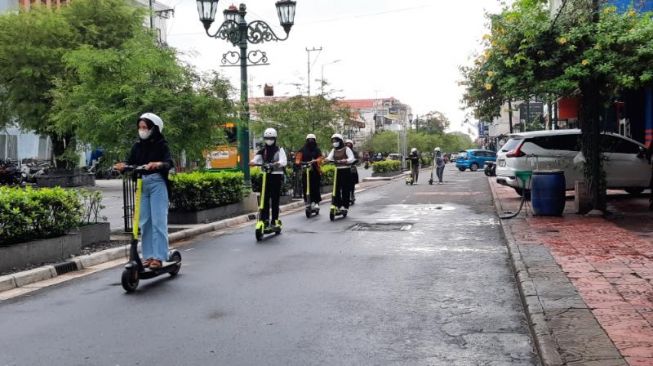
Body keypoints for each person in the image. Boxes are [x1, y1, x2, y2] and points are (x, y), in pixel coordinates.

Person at [114, 113, 174, 269]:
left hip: (157, 183)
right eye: (140, 127)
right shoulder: (137, 146)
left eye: (145, 128)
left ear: (154, 129)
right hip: (141, 184)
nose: (142, 130)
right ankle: (148, 256)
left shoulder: (161, 145)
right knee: (145, 222)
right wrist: (122, 166)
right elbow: (130, 162)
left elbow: (169, 162)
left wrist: (158, 164)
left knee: (158, 222)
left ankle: (159, 257)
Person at [250, 128, 287, 228]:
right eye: (267, 138)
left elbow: (284, 161)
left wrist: (275, 164)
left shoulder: (279, 149)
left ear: (275, 138)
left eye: (271, 138)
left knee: (275, 199)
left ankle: (274, 220)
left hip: (276, 176)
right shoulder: (263, 150)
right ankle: (265, 219)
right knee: (264, 199)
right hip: (265, 177)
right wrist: (252, 162)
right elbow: (256, 159)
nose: (269, 140)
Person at [326, 134, 355, 213]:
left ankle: (344, 206)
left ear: (340, 141)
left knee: (345, 189)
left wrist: (345, 160)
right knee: (336, 189)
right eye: (333, 141)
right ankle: (337, 204)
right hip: (337, 171)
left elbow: (351, 158)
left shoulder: (346, 149)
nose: (334, 142)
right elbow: (329, 157)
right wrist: (326, 160)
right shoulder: (333, 150)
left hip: (345, 170)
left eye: (336, 141)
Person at [295, 133, 323, 209]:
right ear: (306, 140)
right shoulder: (302, 149)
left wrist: (315, 161)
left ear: (315, 140)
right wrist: (299, 162)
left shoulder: (317, 149)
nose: (310, 141)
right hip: (305, 171)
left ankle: (316, 202)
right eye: (309, 140)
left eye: (312, 140)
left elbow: (320, 158)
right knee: (305, 186)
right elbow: (298, 158)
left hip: (315, 171)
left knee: (315, 187)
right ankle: (307, 201)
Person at [345, 139, 359, 205]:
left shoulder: (354, 152)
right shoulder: (344, 151)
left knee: (352, 183)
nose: (348, 145)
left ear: (351, 145)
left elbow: (357, 159)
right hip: (344, 168)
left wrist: (354, 161)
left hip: (352, 168)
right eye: (347, 143)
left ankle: (352, 195)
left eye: (349, 144)